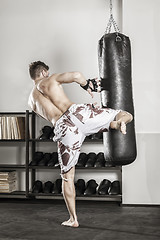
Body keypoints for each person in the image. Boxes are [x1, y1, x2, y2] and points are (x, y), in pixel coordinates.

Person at [28, 61, 133, 228]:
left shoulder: (31, 102)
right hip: (78, 114)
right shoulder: (49, 80)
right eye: (46, 73)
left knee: (67, 177)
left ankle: (73, 219)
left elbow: (49, 112)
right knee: (125, 114)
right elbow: (76, 75)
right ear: (43, 72)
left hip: (63, 128)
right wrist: (87, 85)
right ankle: (118, 123)